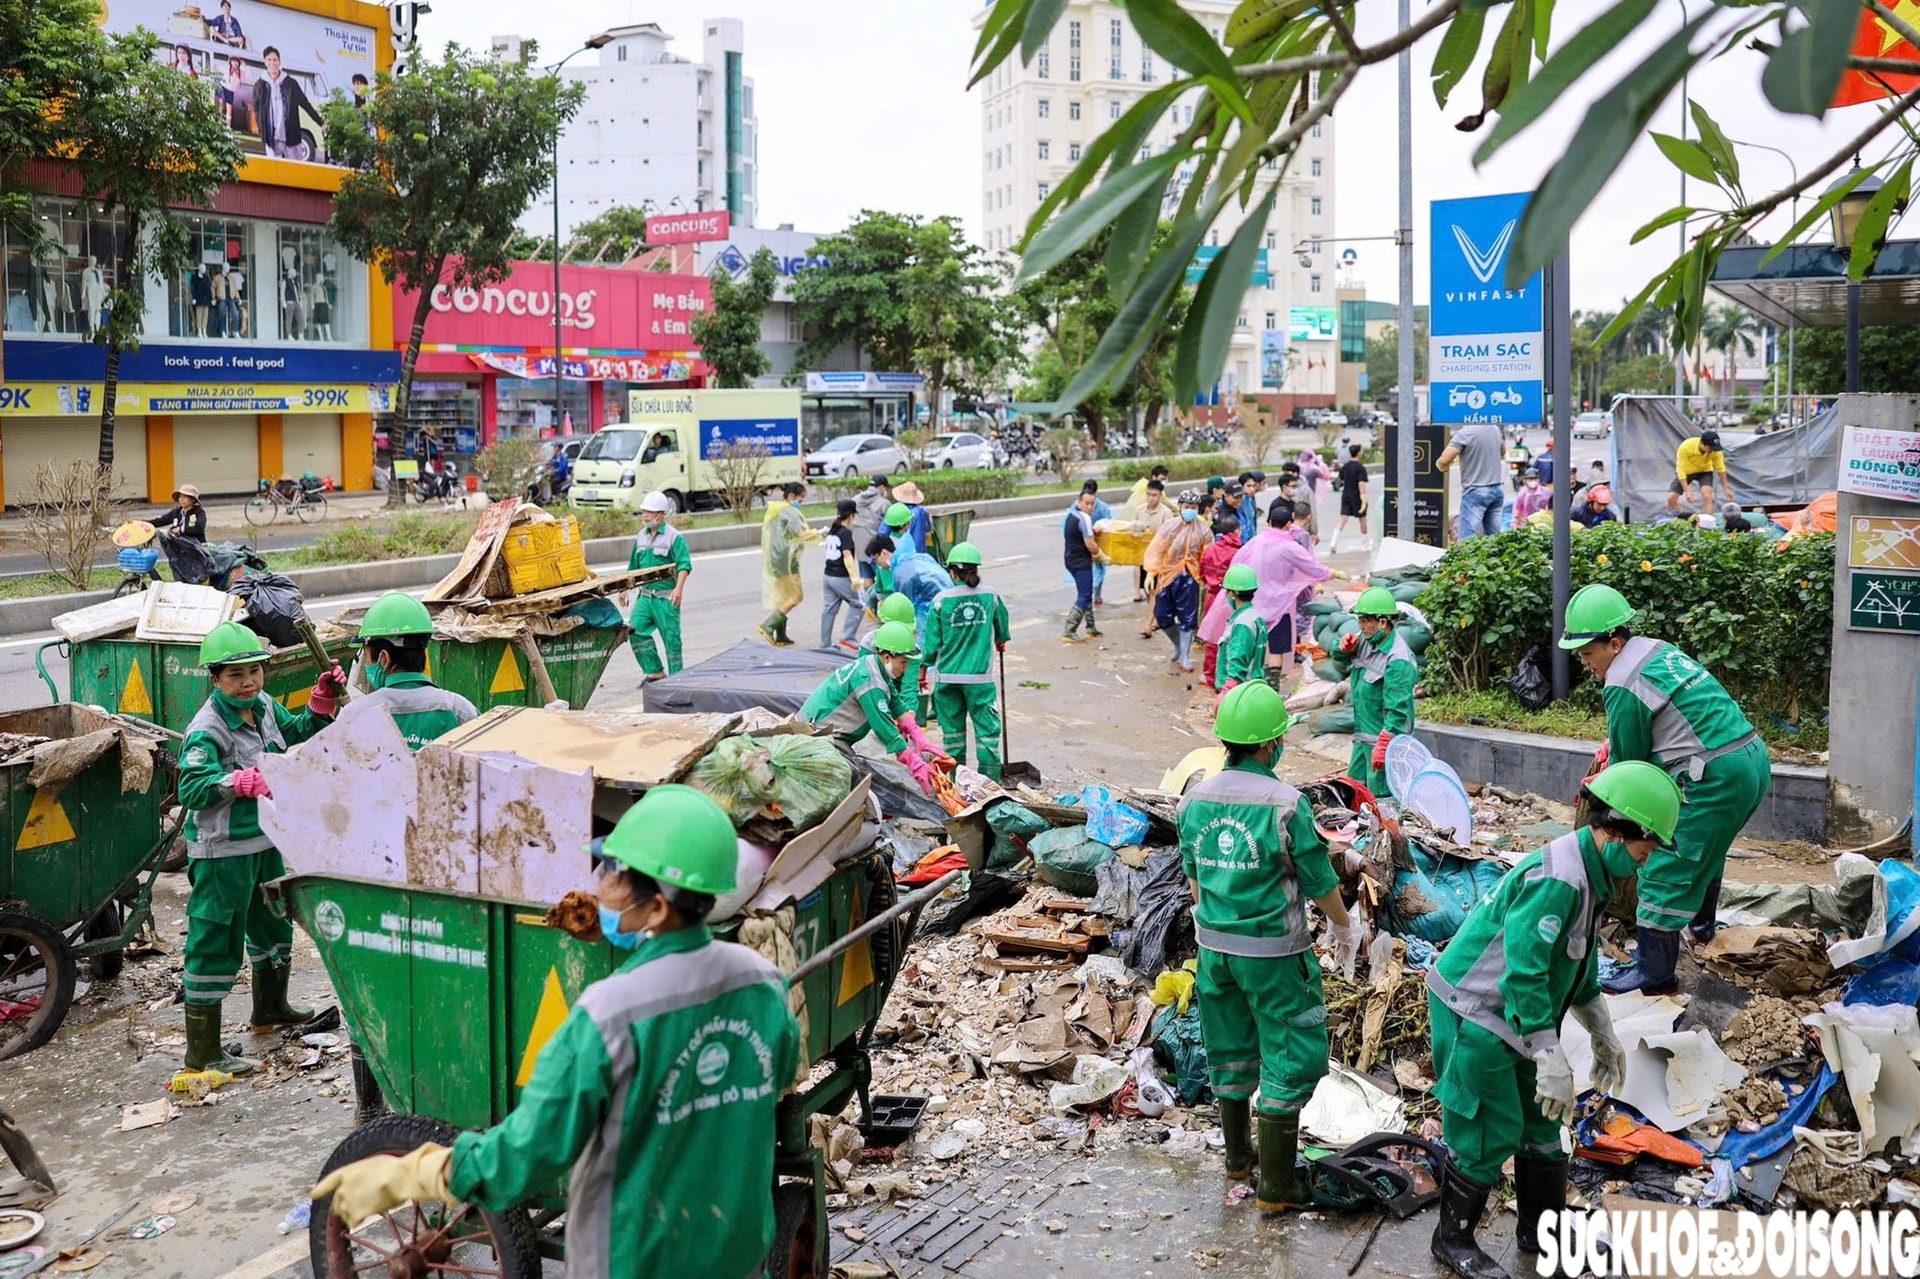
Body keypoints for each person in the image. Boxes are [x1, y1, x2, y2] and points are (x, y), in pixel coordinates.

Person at [313, 786, 802, 1279]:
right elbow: (776, 1075)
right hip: (737, 1259)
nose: (599, 885)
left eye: (612, 874)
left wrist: (421, 1171)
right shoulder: (762, 982)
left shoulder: (611, 1014)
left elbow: (530, 1153)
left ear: (656, 909)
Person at [1426, 763, 1678, 1279]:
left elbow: (1574, 965)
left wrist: (1601, 1029)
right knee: (1486, 1131)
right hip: (1476, 1015)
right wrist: (1548, 1052)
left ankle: (1539, 1230)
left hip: (1516, 1017)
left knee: (1543, 1123)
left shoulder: (1592, 874)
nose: (1641, 865)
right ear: (1613, 833)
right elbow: (1523, 975)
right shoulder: (1559, 879)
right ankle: (1451, 1239)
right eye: (1641, 853)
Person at [1181, 681, 1364, 1212]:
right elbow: (1315, 878)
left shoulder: (1194, 798)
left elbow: (1195, 878)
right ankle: (1277, 1185)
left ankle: (1238, 1158)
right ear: (1269, 746)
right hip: (1275, 957)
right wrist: (1343, 927)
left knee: (1231, 1050)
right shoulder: (1285, 803)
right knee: (1290, 1055)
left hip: (1214, 952)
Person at [1558, 584, 1771, 996]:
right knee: (1707, 849)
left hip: (1713, 775)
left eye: (1587, 653)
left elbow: (1631, 771)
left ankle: (1654, 971)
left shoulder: (1620, 681)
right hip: (1750, 759)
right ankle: (1702, 927)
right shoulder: (1655, 650)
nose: (1585, 663)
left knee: (1666, 859)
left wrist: (1600, 794)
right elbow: (1664, 722)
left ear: (1614, 643)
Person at [176, 622, 342, 1073]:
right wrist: (237, 781)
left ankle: (270, 1008)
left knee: (272, 926)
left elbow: (297, 734)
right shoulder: (207, 729)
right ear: (215, 679)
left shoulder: (264, 706)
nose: (248, 681)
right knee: (215, 941)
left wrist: (321, 699)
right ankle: (203, 1052)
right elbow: (191, 788)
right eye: (235, 675)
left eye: (255, 670)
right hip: (223, 853)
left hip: (265, 840)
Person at [800, 620, 940, 794]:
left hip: (831, 734)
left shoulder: (874, 664)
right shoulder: (869, 680)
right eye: (903, 663)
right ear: (888, 656)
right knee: (853, 783)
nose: (905, 669)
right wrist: (912, 760)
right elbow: (883, 727)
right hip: (818, 735)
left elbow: (896, 704)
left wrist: (918, 735)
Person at [924, 543, 1011, 779]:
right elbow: (1002, 628)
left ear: (952, 572)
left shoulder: (941, 600)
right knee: (987, 733)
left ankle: (956, 782)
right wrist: (1000, 640)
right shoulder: (990, 596)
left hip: (947, 679)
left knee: (952, 734)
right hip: (979, 680)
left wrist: (923, 669)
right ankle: (989, 784)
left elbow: (931, 645)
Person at [354, 594, 475, 749]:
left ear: (384, 659)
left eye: (367, 656)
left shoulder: (355, 715)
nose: (367, 664)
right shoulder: (460, 710)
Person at [1343, 587, 1416, 797]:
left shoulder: (1398, 660)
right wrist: (1342, 649)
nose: (1361, 626)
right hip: (1363, 738)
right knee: (1354, 791)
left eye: (1366, 620)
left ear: (1383, 622)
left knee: (1382, 800)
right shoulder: (1366, 641)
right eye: (1360, 620)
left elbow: (1399, 710)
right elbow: (1340, 661)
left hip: (1382, 743)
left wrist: (1385, 744)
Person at [1142, 489, 1212, 673]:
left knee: (1187, 618)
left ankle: (1185, 656)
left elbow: (1208, 556)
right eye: (1187, 507)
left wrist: (1206, 578)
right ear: (1180, 506)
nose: (1190, 510)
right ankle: (1178, 646)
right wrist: (1150, 572)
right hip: (1168, 575)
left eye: (1194, 507)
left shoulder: (1204, 529)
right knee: (1162, 615)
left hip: (1190, 577)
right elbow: (1157, 548)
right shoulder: (1169, 526)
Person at [628, 492, 691, 680]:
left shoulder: (674, 537)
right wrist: (624, 590)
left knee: (672, 641)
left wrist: (678, 589)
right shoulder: (640, 537)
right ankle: (655, 672)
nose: (645, 516)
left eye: (650, 512)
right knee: (634, 630)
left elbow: (684, 564)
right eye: (644, 512)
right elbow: (632, 567)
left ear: (662, 514)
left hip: (666, 598)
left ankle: (676, 681)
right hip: (645, 598)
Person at [758, 481, 818, 647]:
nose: (802, 502)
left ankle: (781, 634)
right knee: (796, 596)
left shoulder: (775, 510)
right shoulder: (790, 512)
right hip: (787, 559)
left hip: (776, 558)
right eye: (801, 498)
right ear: (792, 496)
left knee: (783, 596)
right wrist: (819, 533)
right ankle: (768, 625)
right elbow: (802, 534)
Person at [1438, 419, 1507, 540]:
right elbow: (1503, 451)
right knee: (1494, 538)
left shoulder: (1465, 433)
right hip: (1497, 488)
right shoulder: (1494, 429)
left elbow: (1445, 460)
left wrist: (1441, 466)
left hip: (1476, 490)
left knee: (1467, 539)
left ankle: (1464, 560)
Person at [1197, 513, 1243, 686]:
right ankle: (1225, 677)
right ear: (1236, 531)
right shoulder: (1238, 552)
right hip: (1230, 598)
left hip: (1211, 596)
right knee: (1230, 638)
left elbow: (1202, 573)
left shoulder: (1210, 550)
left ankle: (1209, 674)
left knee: (1212, 637)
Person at [1061, 488, 1108, 643]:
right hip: (1081, 562)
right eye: (1086, 503)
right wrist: (1101, 556)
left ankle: (1091, 627)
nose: (1089, 506)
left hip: (1070, 560)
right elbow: (1090, 543)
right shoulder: (1084, 518)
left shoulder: (1071, 514)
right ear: (1079, 502)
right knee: (1085, 595)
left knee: (1085, 592)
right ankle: (1070, 629)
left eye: (1092, 504)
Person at [1213, 564, 1268, 696]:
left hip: (1239, 692)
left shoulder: (1242, 623)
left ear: (1232, 593)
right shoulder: (1255, 617)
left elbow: (1238, 659)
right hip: (1250, 688)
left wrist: (1226, 690)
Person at [253, 47, 315, 160]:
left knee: (296, 171)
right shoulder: (260, 85)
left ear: (279, 61)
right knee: (273, 173)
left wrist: (321, 122)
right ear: (265, 62)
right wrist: (262, 130)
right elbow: (257, 110)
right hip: (272, 138)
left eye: (275, 60)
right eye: (269, 60)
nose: (272, 63)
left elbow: (305, 104)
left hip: (291, 136)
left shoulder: (291, 83)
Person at [819, 499, 865, 648]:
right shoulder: (845, 533)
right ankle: (848, 636)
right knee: (859, 603)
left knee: (829, 609)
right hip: (840, 577)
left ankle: (825, 644)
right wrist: (854, 578)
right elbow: (847, 556)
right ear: (851, 516)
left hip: (827, 576)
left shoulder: (833, 529)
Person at [1129, 479, 1175, 605]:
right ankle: (1153, 614)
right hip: (1143, 556)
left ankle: (1156, 619)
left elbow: (1168, 538)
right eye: (1148, 494)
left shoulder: (1166, 513)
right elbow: (1134, 529)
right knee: (1148, 589)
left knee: (1157, 590)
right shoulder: (1140, 510)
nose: (1151, 498)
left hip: (1158, 558)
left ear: (1160, 495)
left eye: (1154, 495)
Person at [1668, 429, 1733, 514]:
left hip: (1704, 471)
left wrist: (1726, 488)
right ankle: (1682, 519)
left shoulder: (1715, 451)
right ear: (1703, 444)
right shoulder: (1686, 447)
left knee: (1707, 496)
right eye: (1710, 448)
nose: (1713, 451)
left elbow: (1721, 468)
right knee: (1671, 498)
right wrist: (1687, 491)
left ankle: (1707, 522)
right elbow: (1681, 470)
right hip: (1686, 472)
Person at [853, 475, 892, 592]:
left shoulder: (855, 500)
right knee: (882, 575)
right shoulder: (884, 503)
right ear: (881, 487)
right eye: (885, 488)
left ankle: (868, 602)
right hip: (876, 547)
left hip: (860, 545)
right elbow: (888, 525)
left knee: (867, 576)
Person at [1081, 479, 1115, 607]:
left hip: (1096, 542)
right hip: (1088, 542)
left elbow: (1110, 521)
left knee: (1097, 569)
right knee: (1092, 569)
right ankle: (1093, 594)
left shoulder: (1100, 507)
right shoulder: (1083, 505)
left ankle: (1094, 594)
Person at [1330, 444, 1368, 552]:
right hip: (1357, 496)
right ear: (1359, 453)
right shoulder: (1360, 468)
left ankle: (1333, 542)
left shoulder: (1345, 467)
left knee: (1343, 519)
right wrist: (1363, 497)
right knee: (1362, 519)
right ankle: (1365, 545)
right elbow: (1361, 483)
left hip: (1346, 495)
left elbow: (1341, 481)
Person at [893, 480, 933, 564]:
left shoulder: (896, 511)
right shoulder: (922, 512)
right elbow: (928, 528)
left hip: (901, 552)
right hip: (919, 554)